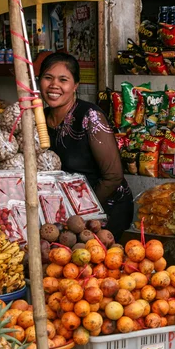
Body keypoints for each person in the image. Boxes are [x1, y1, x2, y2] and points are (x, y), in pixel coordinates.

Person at [39, 52, 133, 240]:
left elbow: (113, 176)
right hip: (61, 214)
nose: (54, 85)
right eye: (47, 78)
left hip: (104, 208)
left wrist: (79, 213)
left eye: (63, 79)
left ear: (75, 86)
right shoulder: (38, 119)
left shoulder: (90, 117)